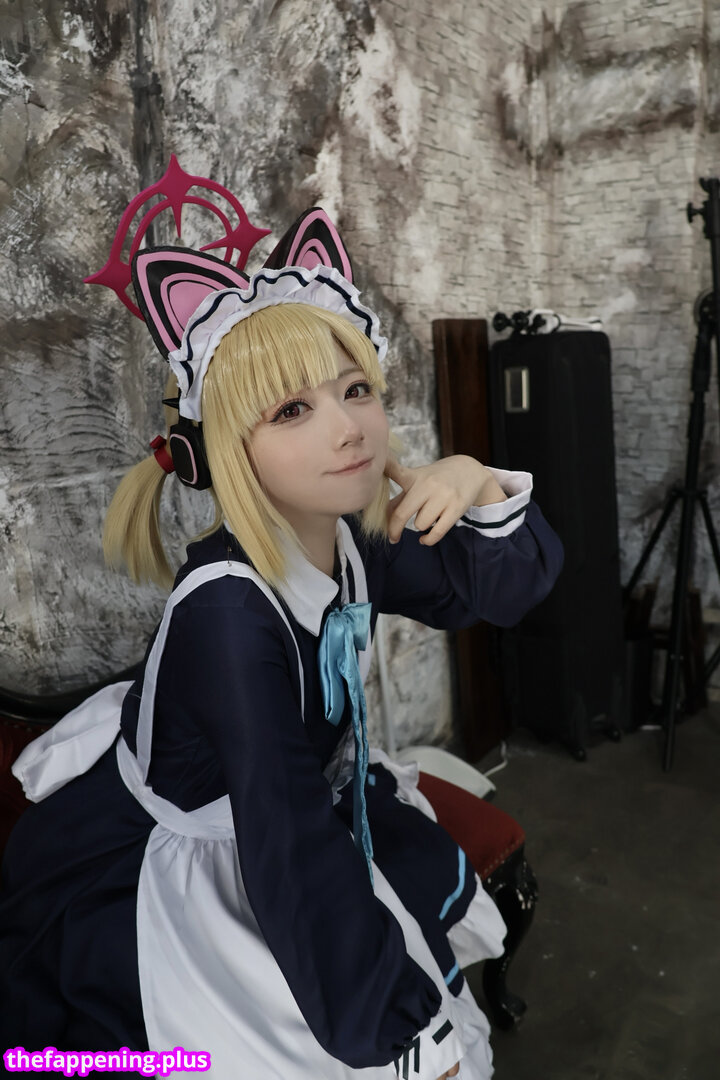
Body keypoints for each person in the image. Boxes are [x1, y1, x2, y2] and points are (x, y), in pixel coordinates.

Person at [0, 182, 563, 1080]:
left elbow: (492, 595)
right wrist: (397, 1034)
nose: (349, 430)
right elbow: (288, 842)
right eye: (292, 410)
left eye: (355, 390)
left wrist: (475, 481)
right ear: (230, 448)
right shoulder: (227, 615)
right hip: (217, 846)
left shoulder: (354, 538)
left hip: (294, 804)